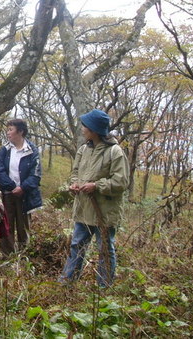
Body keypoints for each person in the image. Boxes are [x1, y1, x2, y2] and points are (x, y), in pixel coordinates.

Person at [59, 109, 129, 287]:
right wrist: (75, 184)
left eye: (85, 126)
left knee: (105, 250)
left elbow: (121, 181)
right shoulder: (83, 150)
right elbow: (75, 172)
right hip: (83, 209)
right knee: (76, 246)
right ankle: (67, 283)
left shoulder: (115, 152)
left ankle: (104, 288)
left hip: (104, 212)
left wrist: (97, 186)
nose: (82, 129)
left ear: (94, 129)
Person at [0, 118, 42, 255]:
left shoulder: (32, 150)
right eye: (7, 130)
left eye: (11, 130)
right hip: (8, 194)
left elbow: (36, 174)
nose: (8, 133)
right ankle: (7, 255)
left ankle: (23, 255)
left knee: (23, 226)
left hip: (25, 195)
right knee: (7, 225)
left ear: (20, 131)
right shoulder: (4, 151)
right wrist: (11, 187)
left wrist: (23, 188)